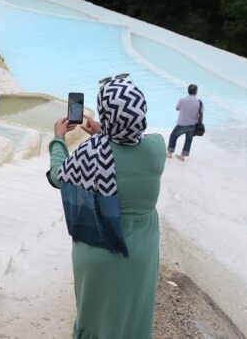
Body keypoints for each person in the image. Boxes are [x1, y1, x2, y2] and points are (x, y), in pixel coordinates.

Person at [46, 76, 166, 338]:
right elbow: (131, 147)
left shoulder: (91, 153)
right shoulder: (157, 149)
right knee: (130, 322)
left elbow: (58, 176)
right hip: (141, 255)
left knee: (95, 323)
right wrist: (108, 132)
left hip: (98, 250)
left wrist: (58, 139)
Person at [167, 84, 203, 161]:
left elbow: (177, 108)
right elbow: (201, 114)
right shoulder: (199, 102)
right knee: (188, 140)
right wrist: (200, 124)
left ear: (188, 91)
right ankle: (182, 156)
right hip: (193, 125)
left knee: (173, 136)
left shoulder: (182, 100)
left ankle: (169, 153)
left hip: (182, 124)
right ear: (196, 92)